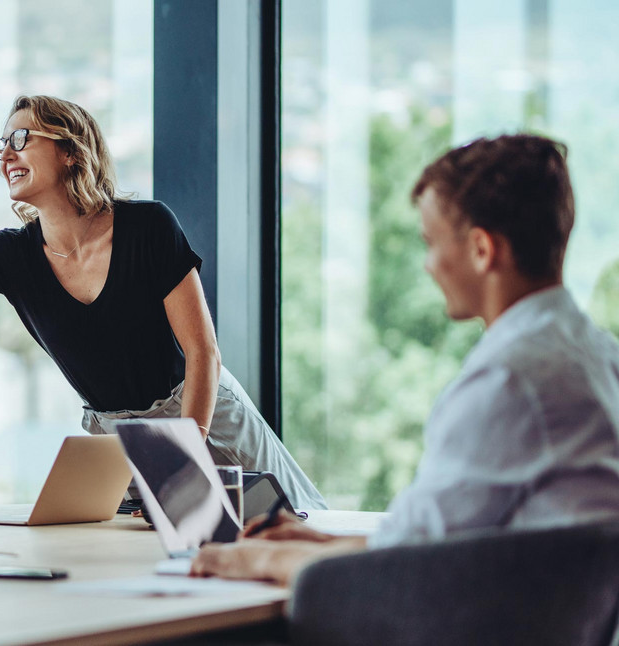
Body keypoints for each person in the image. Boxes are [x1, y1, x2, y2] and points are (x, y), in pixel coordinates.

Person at [0, 95, 326, 510]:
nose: (6, 155)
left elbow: (203, 354)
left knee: (294, 531)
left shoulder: (148, 226)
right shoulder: (11, 255)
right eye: (2, 145)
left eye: (22, 138)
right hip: (117, 442)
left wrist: (182, 454)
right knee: (150, 565)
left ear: (70, 150)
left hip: (203, 413)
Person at [190, 134, 619, 584]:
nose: (428, 265)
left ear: (481, 250)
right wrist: (320, 542)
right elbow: (430, 538)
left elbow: (405, 566)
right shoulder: (597, 355)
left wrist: (256, 560)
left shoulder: (510, 378)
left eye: (432, 244)